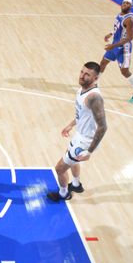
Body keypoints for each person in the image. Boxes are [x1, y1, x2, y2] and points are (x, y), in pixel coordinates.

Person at [47, 62, 107, 202]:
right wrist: (70, 125)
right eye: (81, 72)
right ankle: (76, 185)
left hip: (86, 141)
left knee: (60, 169)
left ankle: (64, 194)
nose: (82, 76)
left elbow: (103, 127)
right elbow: (82, 113)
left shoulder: (94, 97)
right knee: (72, 160)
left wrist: (89, 151)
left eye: (87, 75)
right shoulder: (81, 90)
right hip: (80, 135)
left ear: (96, 78)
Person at [99, 0, 133, 103]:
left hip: (124, 48)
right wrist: (110, 34)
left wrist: (113, 45)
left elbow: (129, 38)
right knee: (103, 63)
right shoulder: (120, 14)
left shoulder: (130, 19)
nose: (125, 4)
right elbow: (118, 28)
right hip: (115, 45)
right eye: (124, 2)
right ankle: (94, 84)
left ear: (131, 6)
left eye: (128, 3)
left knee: (124, 72)